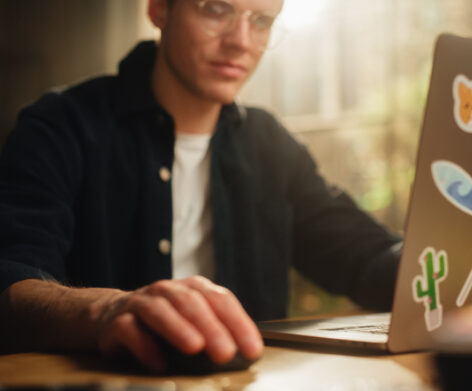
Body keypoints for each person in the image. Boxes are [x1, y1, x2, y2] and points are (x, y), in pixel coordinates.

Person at [0, 0, 401, 372]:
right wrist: (107, 310)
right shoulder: (61, 126)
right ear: (159, 8)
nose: (241, 42)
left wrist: (447, 261)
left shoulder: (271, 144)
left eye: (261, 21)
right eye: (215, 9)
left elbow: (364, 256)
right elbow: (10, 280)